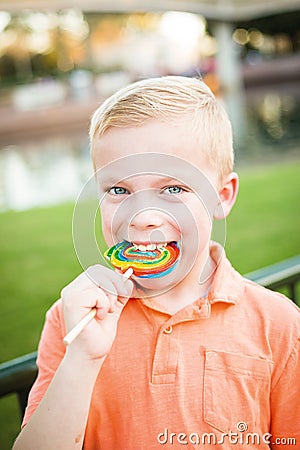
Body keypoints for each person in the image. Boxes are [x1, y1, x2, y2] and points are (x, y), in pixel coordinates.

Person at [13, 76, 300, 450]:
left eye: (173, 189)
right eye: (119, 190)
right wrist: (82, 357)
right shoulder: (72, 321)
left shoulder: (278, 325)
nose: (143, 215)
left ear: (221, 197)